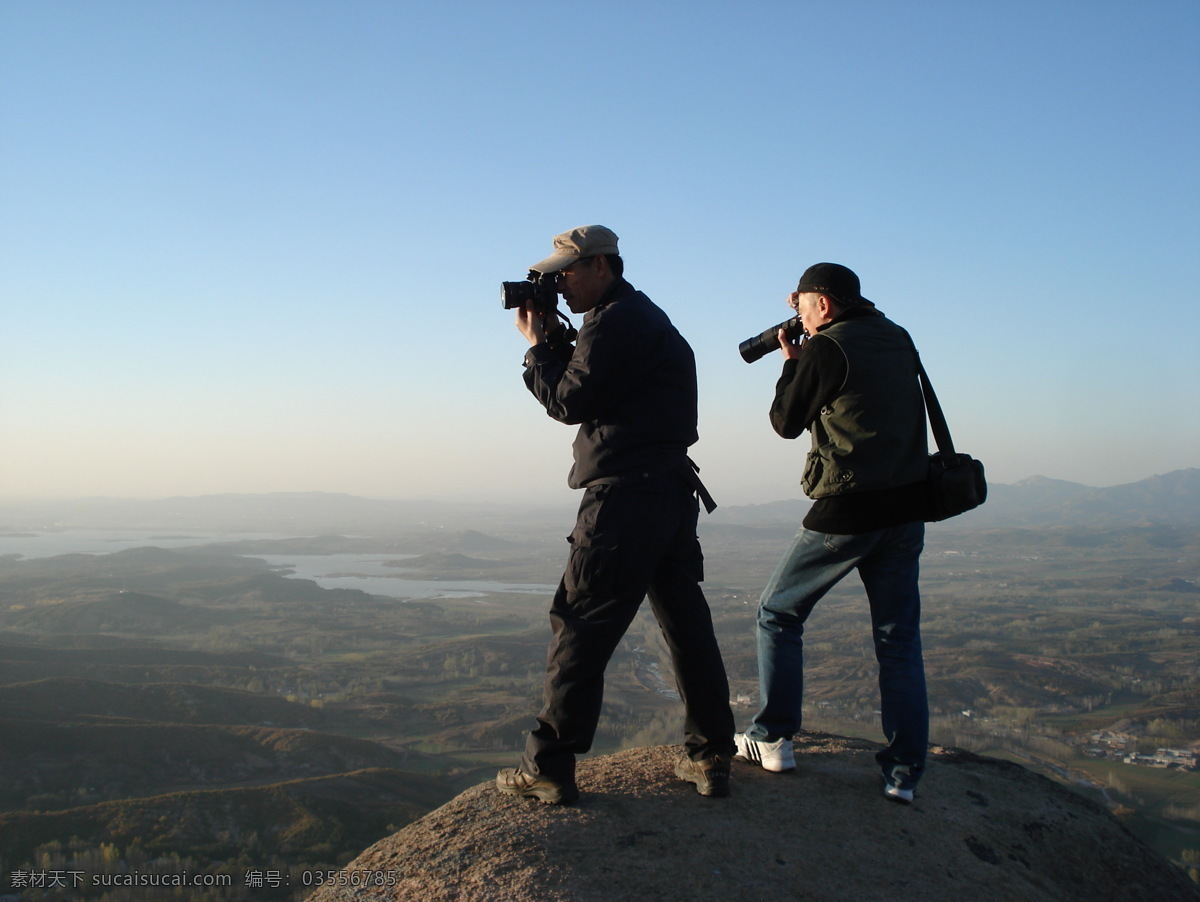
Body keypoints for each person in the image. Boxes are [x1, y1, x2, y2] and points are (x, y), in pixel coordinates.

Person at [496, 224, 736, 803]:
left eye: (565, 273)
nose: (558, 285)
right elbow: (595, 389)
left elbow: (570, 401)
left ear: (601, 265)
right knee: (685, 626)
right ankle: (710, 758)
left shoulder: (615, 321)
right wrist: (557, 341)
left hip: (625, 502)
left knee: (579, 627)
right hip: (668, 497)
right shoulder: (640, 318)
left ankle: (548, 767)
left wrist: (534, 349)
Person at [735, 263, 930, 804]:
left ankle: (772, 736)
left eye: (801, 301)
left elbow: (784, 421)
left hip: (849, 509)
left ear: (822, 304)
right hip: (907, 509)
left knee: (777, 612)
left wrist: (791, 363)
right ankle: (904, 772)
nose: (796, 310)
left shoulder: (828, 347)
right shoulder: (896, 336)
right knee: (898, 639)